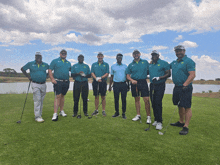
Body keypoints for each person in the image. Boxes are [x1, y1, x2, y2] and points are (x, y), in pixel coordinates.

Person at [170, 45, 196, 135]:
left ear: (184, 51)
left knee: (187, 106)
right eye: (176, 51)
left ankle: (186, 126)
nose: (178, 53)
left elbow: (192, 75)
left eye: (180, 51)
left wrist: (185, 84)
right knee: (179, 105)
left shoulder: (189, 61)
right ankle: (181, 122)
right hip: (177, 87)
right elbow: (166, 67)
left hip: (185, 87)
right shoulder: (174, 63)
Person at [21, 52, 49, 122]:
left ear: (41, 57)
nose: (38, 58)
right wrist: (28, 76)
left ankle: (40, 114)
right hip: (35, 84)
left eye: (39, 56)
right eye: (37, 56)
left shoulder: (45, 64)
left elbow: (50, 70)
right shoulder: (31, 63)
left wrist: (47, 76)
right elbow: (22, 69)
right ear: (35, 57)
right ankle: (37, 116)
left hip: (43, 84)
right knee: (37, 99)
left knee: (41, 100)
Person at [126, 50, 151, 123]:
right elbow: (128, 76)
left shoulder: (145, 62)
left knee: (146, 99)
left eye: (137, 53)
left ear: (140, 54)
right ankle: (138, 115)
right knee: (137, 100)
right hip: (134, 83)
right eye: (134, 54)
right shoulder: (130, 65)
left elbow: (149, 71)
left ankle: (148, 117)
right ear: (132, 55)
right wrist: (131, 80)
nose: (136, 55)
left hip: (143, 82)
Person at [148, 50, 171, 130]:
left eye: (155, 55)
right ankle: (156, 119)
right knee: (153, 102)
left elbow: (168, 74)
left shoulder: (164, 63)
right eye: (152, 55)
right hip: (152, 85)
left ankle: (160, 122)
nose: (153, 56)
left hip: (160, 85)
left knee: (158, 102)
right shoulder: (150, 64)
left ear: (158, 55)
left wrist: (159, 77)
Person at [48, 49, 71, 121]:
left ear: (66, 55)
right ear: (60, 54)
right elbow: (50, 70)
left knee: (62, 96)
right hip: (58, 81)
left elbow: (72, 71)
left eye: (65, 53)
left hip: (66, 81)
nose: (63, 54)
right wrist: (52, 79)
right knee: (58, 96)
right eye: (62, 53)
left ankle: (61, 111)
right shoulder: (55, 61)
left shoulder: (68, 63)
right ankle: (55, 113)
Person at [109, 53, 128, 119]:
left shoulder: (125, 66)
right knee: (116, 99)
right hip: (116, 84)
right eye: (118, 57)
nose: (119, 58)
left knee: (124, 99)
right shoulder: (113, 66)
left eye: (121, 57)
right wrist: (109, 86)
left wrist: (128, 85)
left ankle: (123, 113)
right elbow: (111, 77)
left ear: (122, 58)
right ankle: (117, 112)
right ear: (116, 58)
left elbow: (127, 76)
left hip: (123, 84)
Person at [91, 52, 109, 116]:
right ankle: (96, 110)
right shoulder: (94, 64)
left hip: (103, 82)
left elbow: (107, 73)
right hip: (95, 81)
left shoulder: (106, 64)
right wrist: (96, 78)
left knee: (103, 96)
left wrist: (101, 77)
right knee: (96, 96)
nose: (100, 57)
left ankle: (103, 110)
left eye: (101, 56)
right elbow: (92, 73)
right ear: (97, 57)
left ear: (103, 57)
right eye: (99, 56)